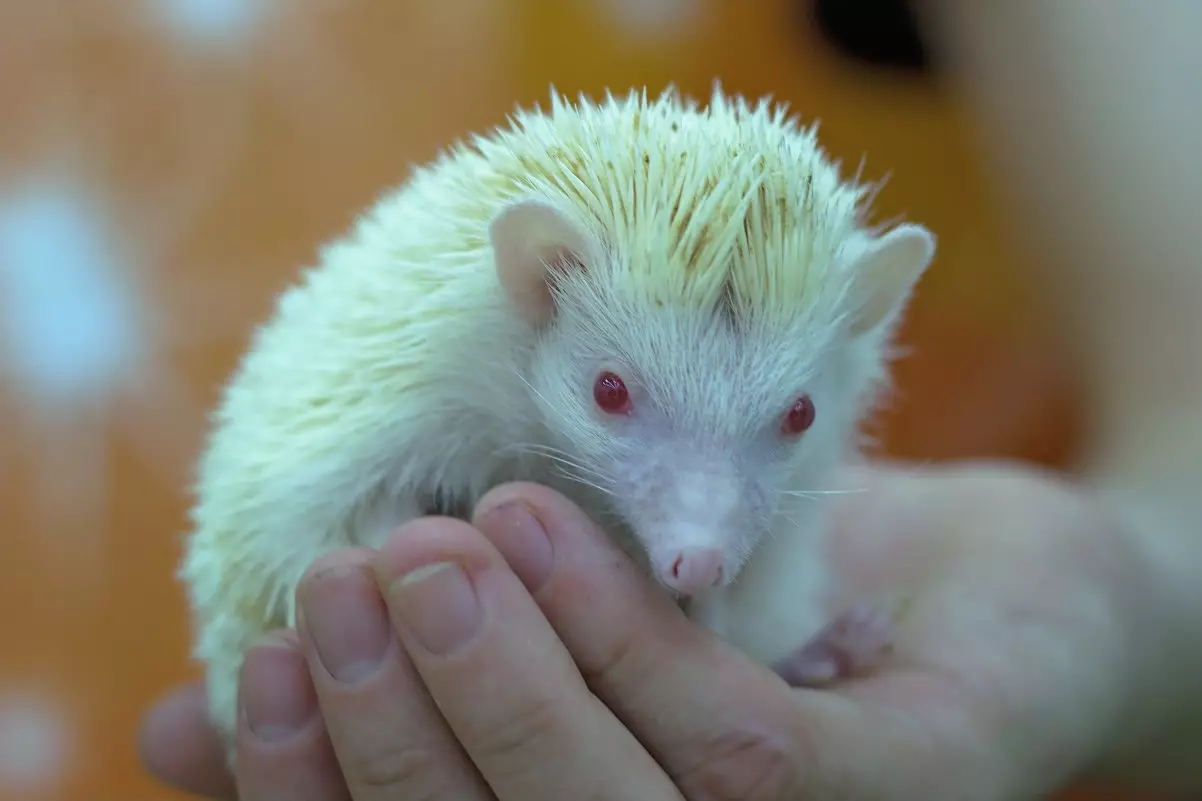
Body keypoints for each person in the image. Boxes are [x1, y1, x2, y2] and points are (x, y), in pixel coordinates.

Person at [137, 2, 1202, 798]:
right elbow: (284, 515)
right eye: (612, 392)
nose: (699, 531)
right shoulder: (424, 352)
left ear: (864, 312)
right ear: (537, 279)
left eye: (782, 418)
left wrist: (1134, 601)